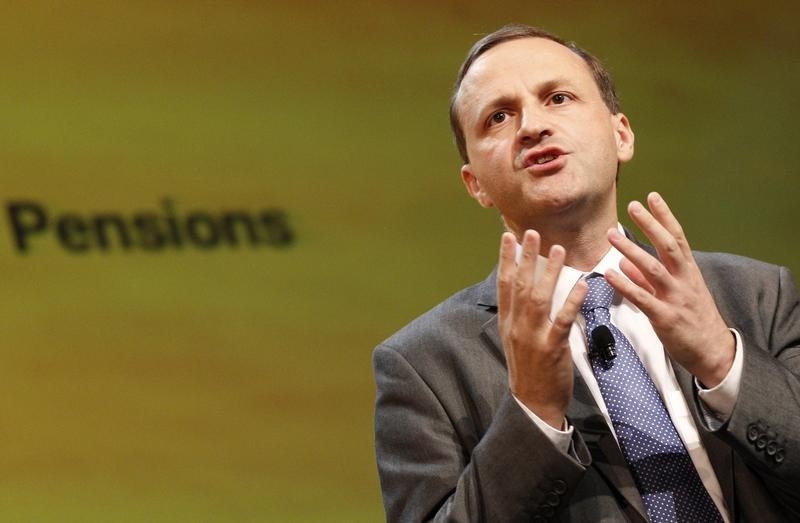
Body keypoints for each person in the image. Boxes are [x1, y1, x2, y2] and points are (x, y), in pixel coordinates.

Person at [372, 24, 800, 522]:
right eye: (499, 117)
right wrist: (533, 413)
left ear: (621, 134)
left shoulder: (758, 295)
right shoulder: (424, 365)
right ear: (476, 185)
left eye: (557, 97)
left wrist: (723, 363)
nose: (532, 126)